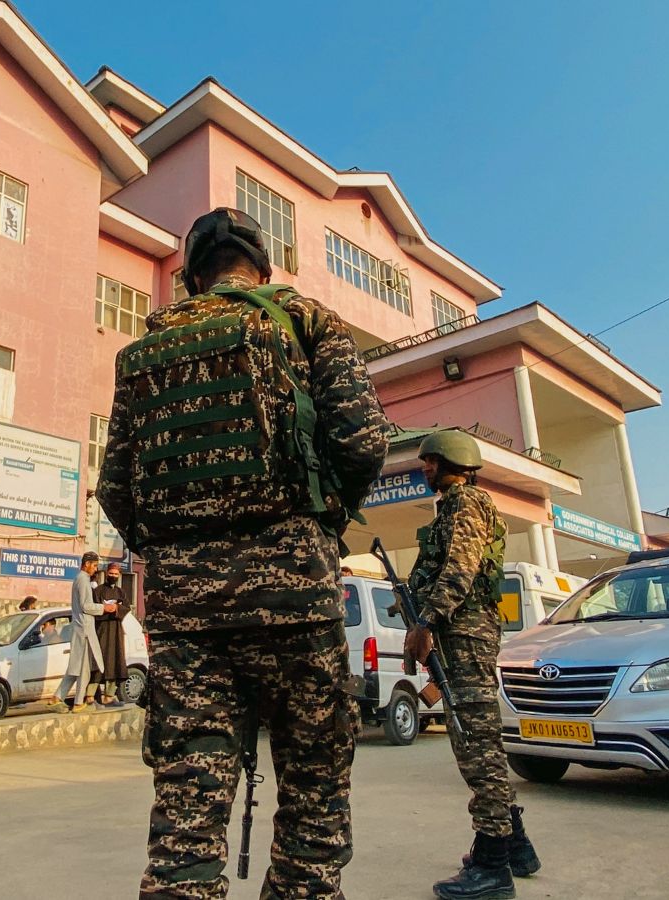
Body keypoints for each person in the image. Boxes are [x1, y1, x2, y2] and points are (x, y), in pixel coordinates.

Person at [97, 207, 388, 898]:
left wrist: (177, 555)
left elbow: (115, 489)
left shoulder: (142, 353)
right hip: (297, 604)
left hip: (188, 624)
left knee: (186, 819)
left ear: (193, 277)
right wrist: (320, 523)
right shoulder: (305, 322)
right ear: (262, 267)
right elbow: (363, 442)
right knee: (313, 798)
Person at [403, 429, 536, 899]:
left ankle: (492, 866)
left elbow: (460, 569)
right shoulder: (453, 507)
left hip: (465, 636)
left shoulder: (467, 504)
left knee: (477, 747)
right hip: (460, 635)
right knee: (480, 745)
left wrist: (426, 621)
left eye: (431, 461)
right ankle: (515, 846)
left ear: (453, 461)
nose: (425, 468)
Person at [49, 552, 104, 712]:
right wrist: (104, 607)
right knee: (83, 669)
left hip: (80, 628)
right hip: (84, 630)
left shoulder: (80, 579)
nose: (95, 569)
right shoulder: (83, 580)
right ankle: (79, 703)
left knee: (75, 667)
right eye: (94, 565)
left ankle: (57, 697)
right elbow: (87, 606)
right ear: (87, 564)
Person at [92, 562, 129, 706]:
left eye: (115, 574)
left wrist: (116, 608)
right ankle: (90, 696)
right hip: (101, 631)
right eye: (111, 573)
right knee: (98, 662)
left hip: (116, 632)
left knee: (114, 661)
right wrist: (106, 608)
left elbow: (126, 608)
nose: (113, 576)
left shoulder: (121, 592)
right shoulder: (98, 591)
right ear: (106, 573)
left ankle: (109, 696)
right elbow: (94, 609)